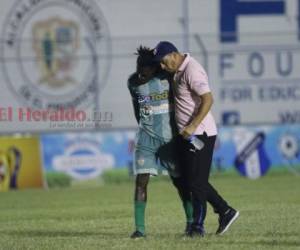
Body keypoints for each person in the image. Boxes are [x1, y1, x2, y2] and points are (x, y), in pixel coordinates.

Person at [152, 41, 239, 237]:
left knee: (197, 183)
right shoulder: (176, 70)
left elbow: (208, 99)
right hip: (187, 135)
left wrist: (191, 126)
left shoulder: (192, 70)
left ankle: (197, 228)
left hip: (200, 133)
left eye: (164, 63)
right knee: (192, 180)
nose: (163, 67)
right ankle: (225, 211)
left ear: (174, 54)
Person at [127, 46, 193, 239]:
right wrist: (144, 125)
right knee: (141, 182)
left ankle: (191, 224)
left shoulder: (168, 78)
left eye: (144, 68)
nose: (140, 71)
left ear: (154, 68)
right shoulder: (132, 82)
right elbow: (136, 109)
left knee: (180, 182)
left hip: (169, 140)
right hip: (145, 139)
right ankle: (140, 230)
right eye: (138, 66)